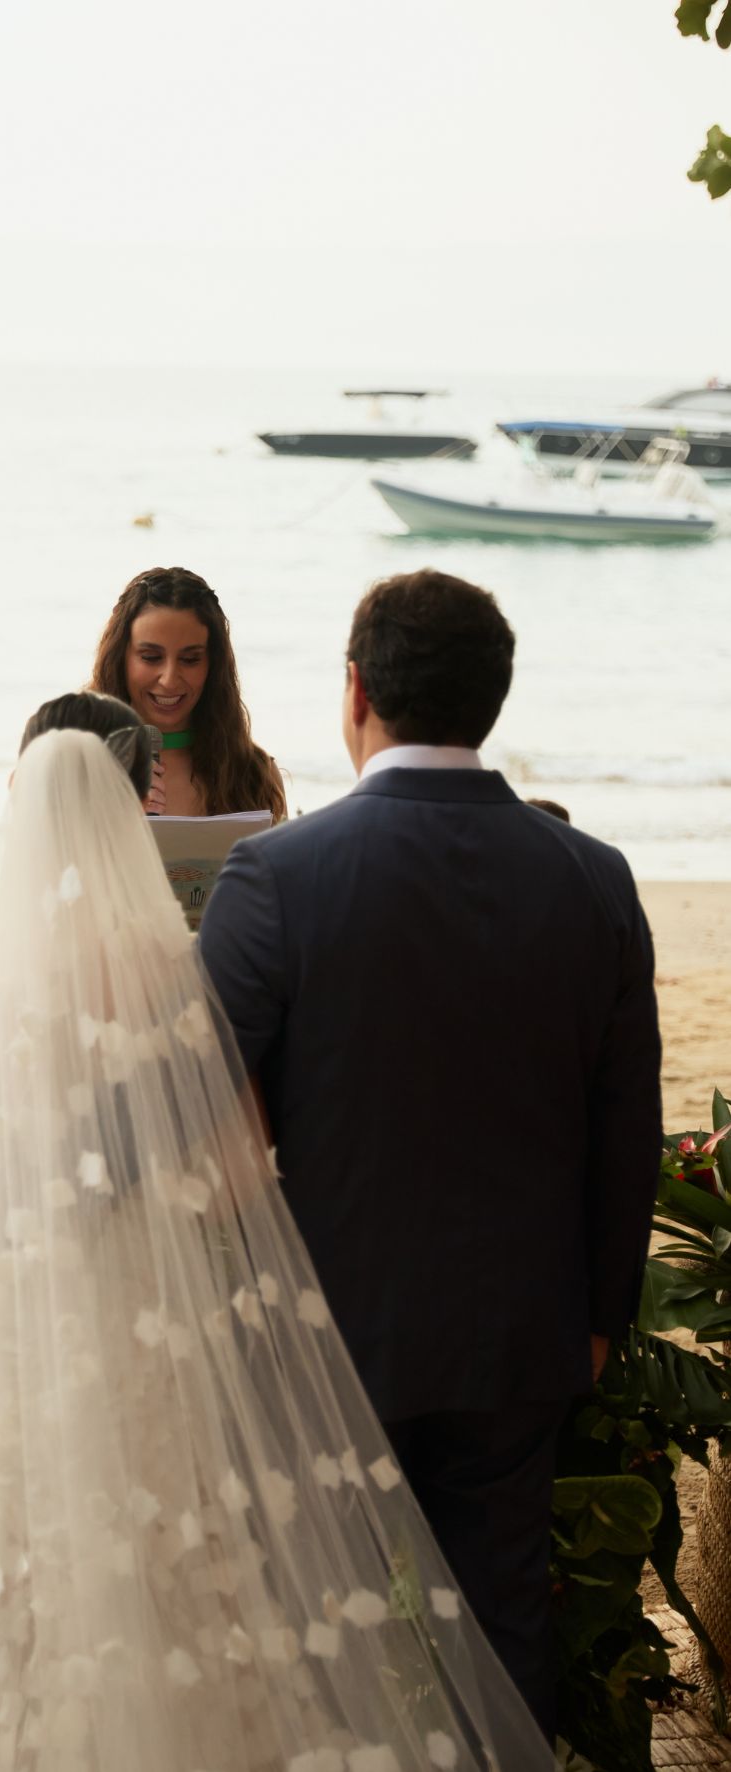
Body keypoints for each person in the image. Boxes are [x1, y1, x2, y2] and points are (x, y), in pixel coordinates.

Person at [0, 689, 553, 1769]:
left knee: (14, 1585)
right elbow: (239, 1170)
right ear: (137, 806)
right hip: (151, 1337)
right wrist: (137, 1200)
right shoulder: (180, 971)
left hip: (7, 1342)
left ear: (15, 793)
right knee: (173, 1582)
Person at [198, 567, 662, 1741]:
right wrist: (598, 1313)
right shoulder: (592, 877)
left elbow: (194, 1100)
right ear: (491, 697)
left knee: (323, 1628)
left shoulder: (277, 875)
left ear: (355, 690)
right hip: (524, 1322)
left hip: (331, 1326)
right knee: (502, 1625)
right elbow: (626, 1124)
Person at [90, 566, 287, 820]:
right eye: (150, 657)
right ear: (120, 658)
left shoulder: (254, 775)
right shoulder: (71, 764)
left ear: (213, 666)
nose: (169, 680)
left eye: (190, 659)